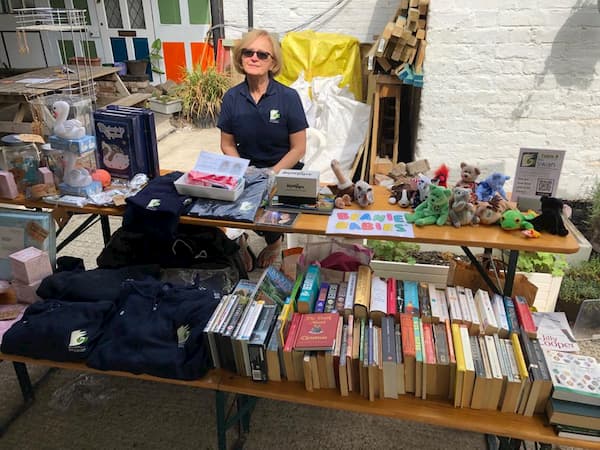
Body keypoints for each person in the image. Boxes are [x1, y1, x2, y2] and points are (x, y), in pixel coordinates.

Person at [217, 29, 308, 271]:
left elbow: (299, 147)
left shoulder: (288, 97)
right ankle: (240, 242)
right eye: (248, 52)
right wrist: (242, 169)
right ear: (240, 57)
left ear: (273, 62)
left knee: (274, 210)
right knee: (220, 205)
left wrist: (272, 173)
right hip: (245, 168)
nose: (254, 58)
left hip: (282, 168)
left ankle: (274, 241)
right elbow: (227, 143)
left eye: (262, 54)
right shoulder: (232, 98)